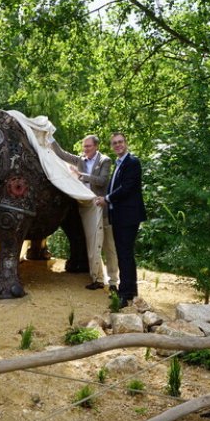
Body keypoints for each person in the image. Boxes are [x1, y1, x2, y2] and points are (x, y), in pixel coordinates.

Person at [52, 135, 119, 291]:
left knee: (109, 246)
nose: (85, 149)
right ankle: (98, 278)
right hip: (87, 208)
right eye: (84, 147)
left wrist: (81, 176)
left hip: (103, 208)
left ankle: (114, 281)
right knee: (92, 244)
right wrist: (49, 138)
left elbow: (102, 181)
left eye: (88, 146)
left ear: (96, 146)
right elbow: (62, 154)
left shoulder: (105, 160)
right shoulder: (81, 160)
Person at [98, 132, 147, 307]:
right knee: (124, 254)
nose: (118, 145)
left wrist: (107, 199)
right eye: (114, 143)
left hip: (128, 216)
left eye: (120, 142)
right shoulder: (119, 164)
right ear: (111, 147)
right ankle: (129, 290)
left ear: (126, 143)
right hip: (120, 216)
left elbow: (126, 188)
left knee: (125, 255)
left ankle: (125, 295)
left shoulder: (132, 162)